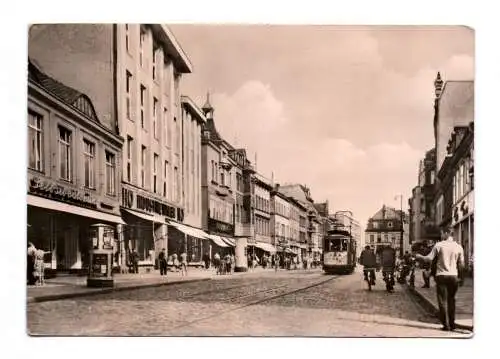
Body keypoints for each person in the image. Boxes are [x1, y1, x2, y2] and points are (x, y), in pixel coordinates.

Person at [416, 226, 465, 332]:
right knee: (452, 300)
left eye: (442, 233)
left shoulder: (439, 245)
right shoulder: (458, 247)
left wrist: (419, 256)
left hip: (441, 276)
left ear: (447, 233)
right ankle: (452, 324)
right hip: (453, 276)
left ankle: (445, 325)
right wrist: (462, 278)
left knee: (442, 301)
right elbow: (461, 264)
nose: (441, 235)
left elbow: (429, 258)